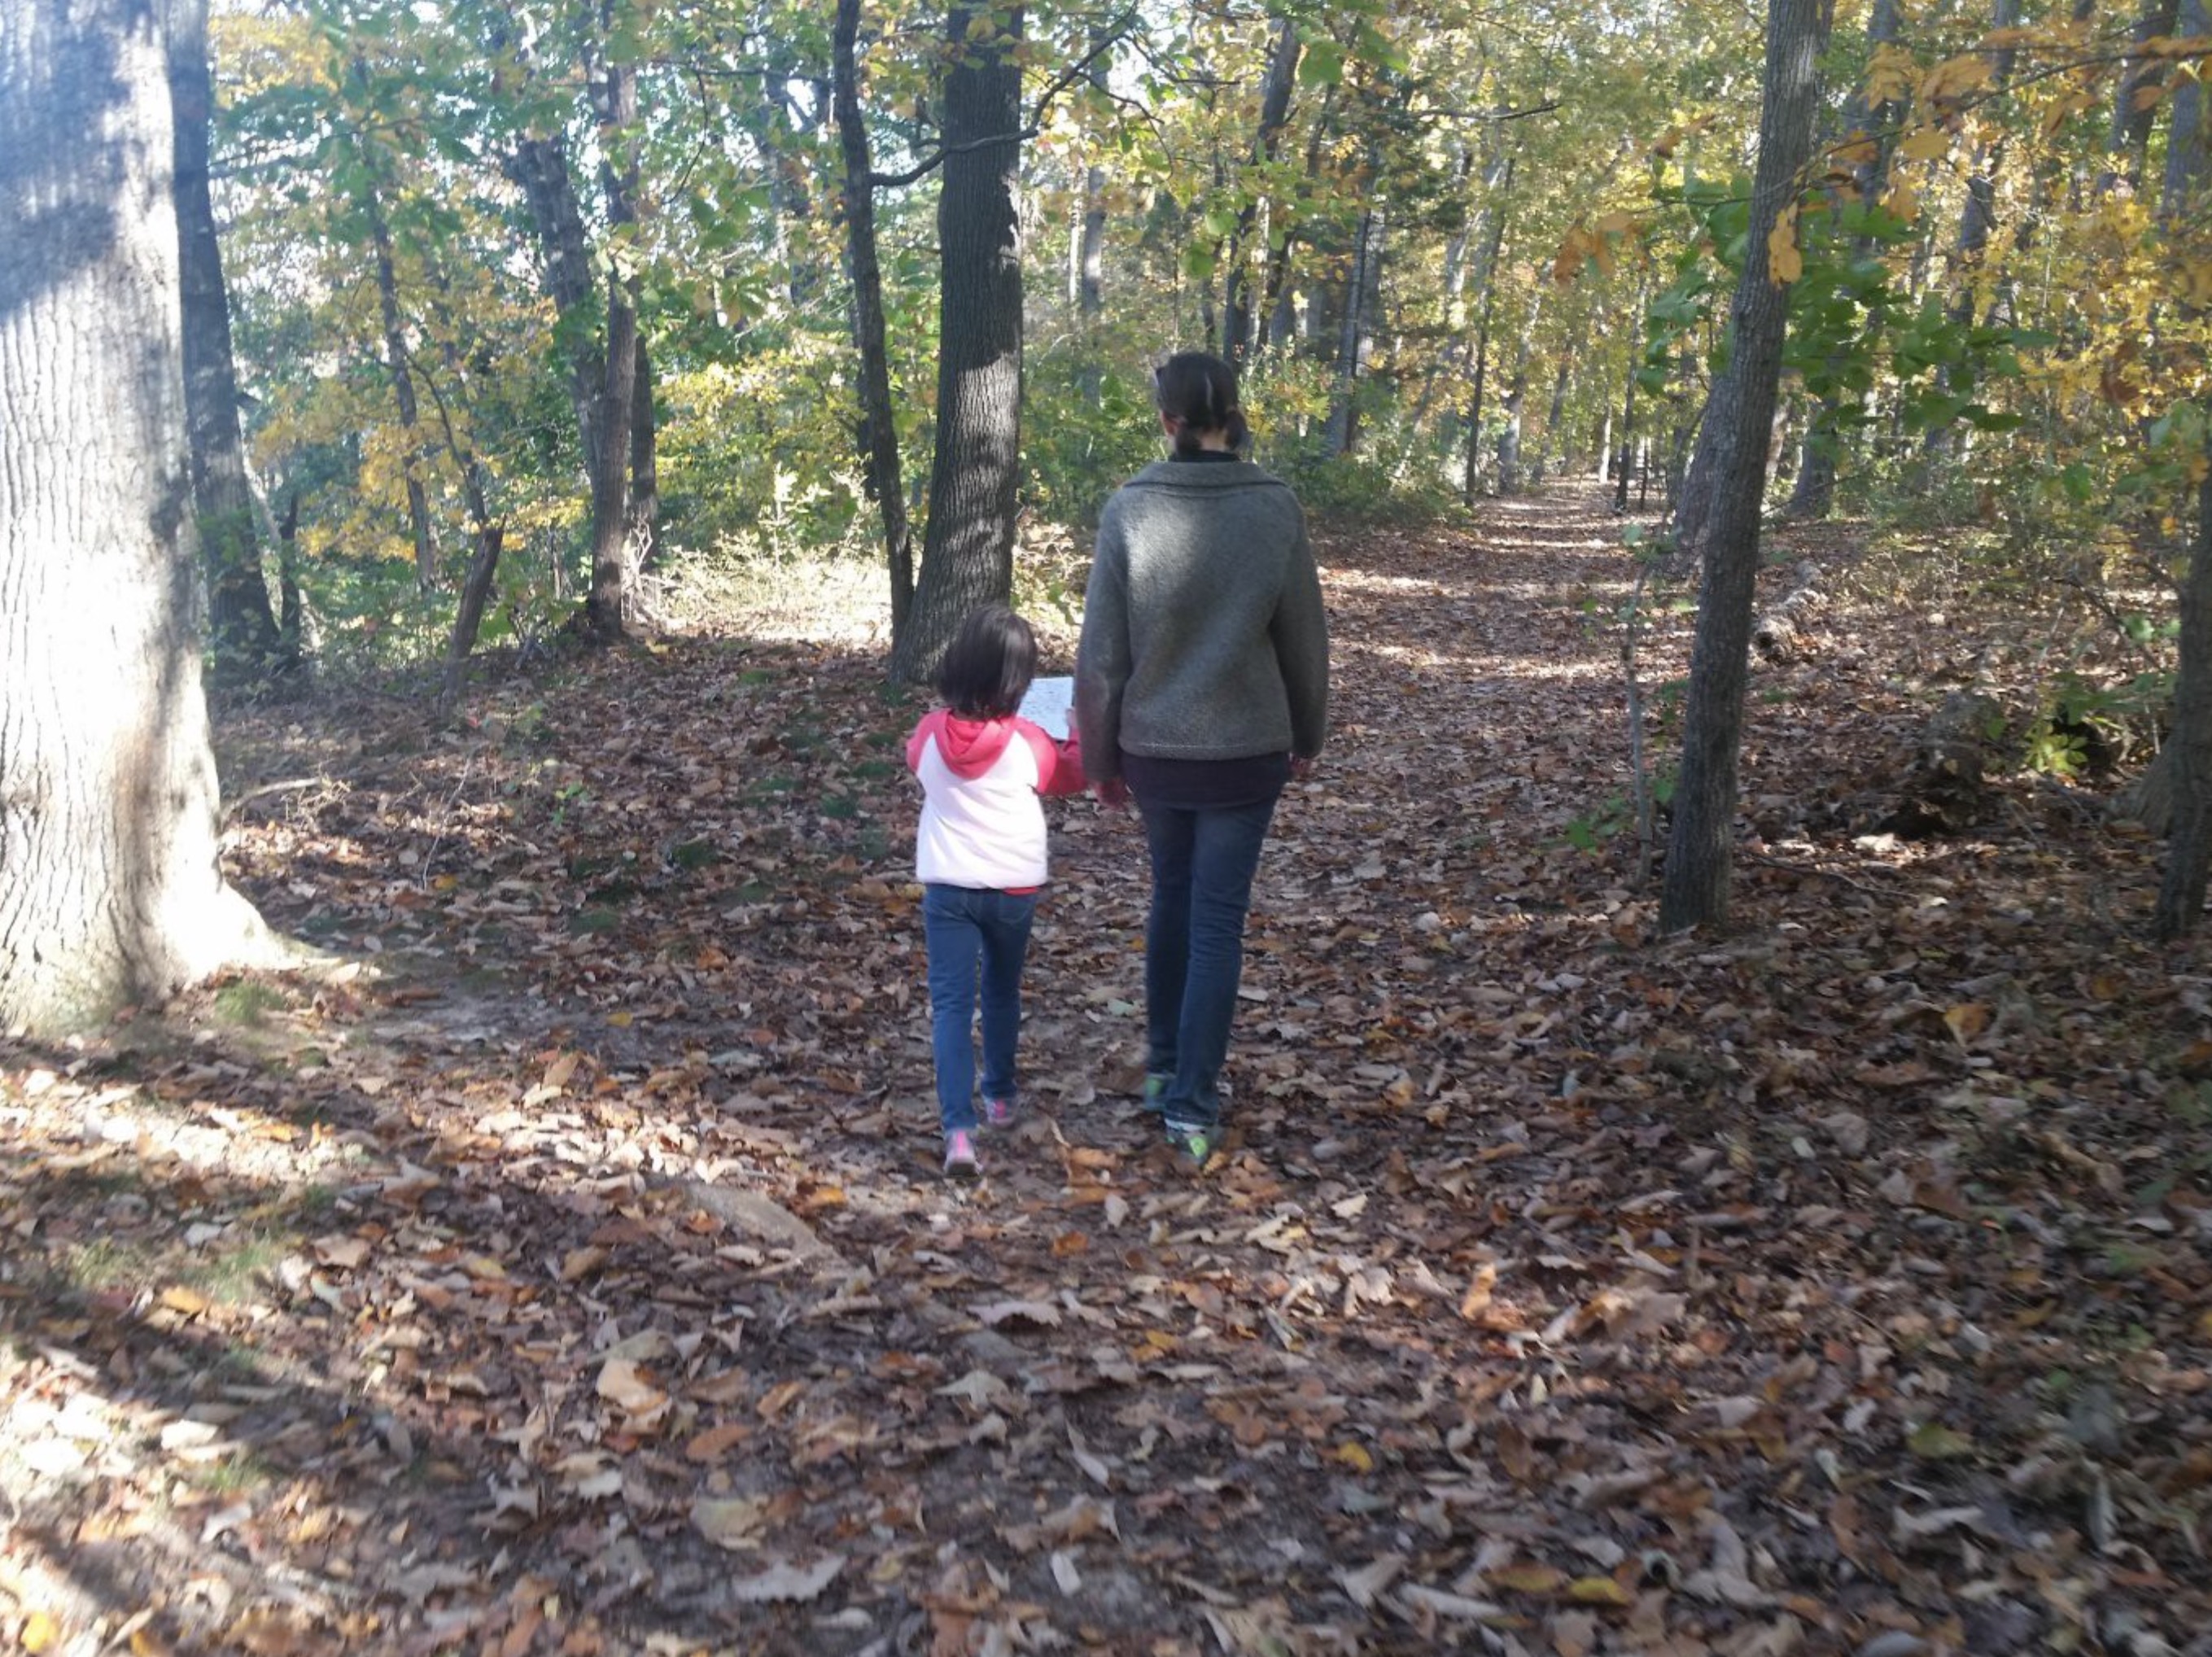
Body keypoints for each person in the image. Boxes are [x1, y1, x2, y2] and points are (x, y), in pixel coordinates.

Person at [1073, 350, 1329, 1172]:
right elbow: (1305, 640)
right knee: (1216, 920)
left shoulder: (1130, 508)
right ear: (1235, 415)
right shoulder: (1274, 507)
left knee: (1172, 900)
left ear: (1167, 420)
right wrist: (1309, 731)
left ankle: (1162, 1067)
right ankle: (1191, 1101)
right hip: (1247, 747)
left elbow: (1101, 655)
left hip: (1155, 747)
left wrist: (1098, 756)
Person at [907, 604, 1088, 1178]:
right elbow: (1070, 776)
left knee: (952, 1008)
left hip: (948, 886)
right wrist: (1079, 730)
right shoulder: (1029, 741)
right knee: (1003, 992)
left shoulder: (928, 734)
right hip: (1013, 886)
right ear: (1020, 680)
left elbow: (919, 765)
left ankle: (959, 1132)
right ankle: (1001, 1094)